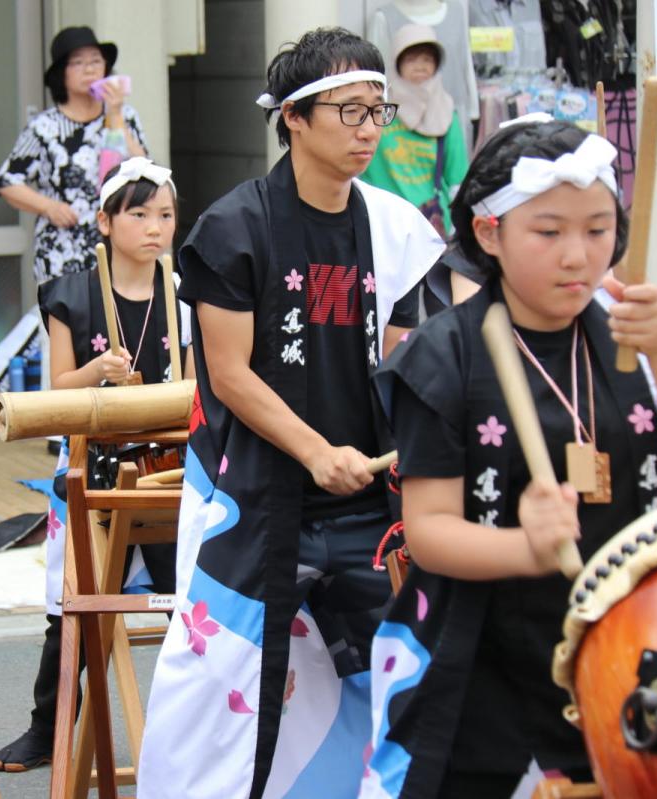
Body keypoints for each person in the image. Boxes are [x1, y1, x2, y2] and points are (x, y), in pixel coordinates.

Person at [136, 28, 445, 798]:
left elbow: (414, 357)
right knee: (217, 692)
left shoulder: (397, 229)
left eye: (379, 110)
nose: (370, 128)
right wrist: (314, 451)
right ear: (295, 118)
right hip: (257, 504)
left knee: (409, 681)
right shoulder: (234, 229)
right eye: (350, 111)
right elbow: (231, 374)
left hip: (371, 509)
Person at [362, 119, 657, 798]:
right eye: (549, 231)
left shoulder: (635, 335)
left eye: (597, 229)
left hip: (635, 648)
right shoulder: (446, 355)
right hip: (483, 660)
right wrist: (526, 548)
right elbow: (430, 531)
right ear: (490, 232)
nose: (578, 256)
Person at [0, 158, 193, 772]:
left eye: (165, 214)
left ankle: (190, 732)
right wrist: (93, 375)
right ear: (104, 222)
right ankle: (48, 727)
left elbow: (194, 381)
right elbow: (56, 393)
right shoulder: (71, 295)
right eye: (138, 214)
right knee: (69, 605)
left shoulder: (183, 294)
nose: (154, 227)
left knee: (188, 605)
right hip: (93, 461)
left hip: (167, 468)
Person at [0, 26, 148, 283]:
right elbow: (7, 182)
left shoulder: (125, 116)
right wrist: (49, 207)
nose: (89, 69)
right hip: (61, 252)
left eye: (95, 61)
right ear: (61, 74)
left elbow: (144, 169)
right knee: (66, 321)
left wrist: (116, 115)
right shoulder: (44, 127)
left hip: (117, 250)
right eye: (78, 63)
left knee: (116, 322)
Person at [360, 24, 468, 239]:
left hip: (430, 228)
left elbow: (457, 180)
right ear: (397, 64)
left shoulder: (446, 113)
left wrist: (461, 228)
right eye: (412, 59)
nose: (420, 66)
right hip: (381, 223)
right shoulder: (377, 110)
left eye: (427, 59)